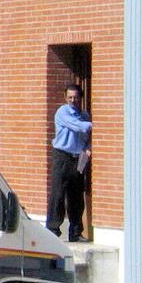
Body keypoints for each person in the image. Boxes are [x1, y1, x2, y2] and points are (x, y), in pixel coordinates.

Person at [46, 85, 92, 242]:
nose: (73, 100)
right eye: (70, 97)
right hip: (62, 157)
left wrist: (87, 149)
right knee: (58, 194)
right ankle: (53, 231)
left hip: (77, 158)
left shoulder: (84, 115)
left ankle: (76, 232)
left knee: (76, 197)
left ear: (80, 98)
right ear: (65, 97)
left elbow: (86, 139)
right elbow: (77, 126)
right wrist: (97, 124)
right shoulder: (63, 112)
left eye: (76, 98)